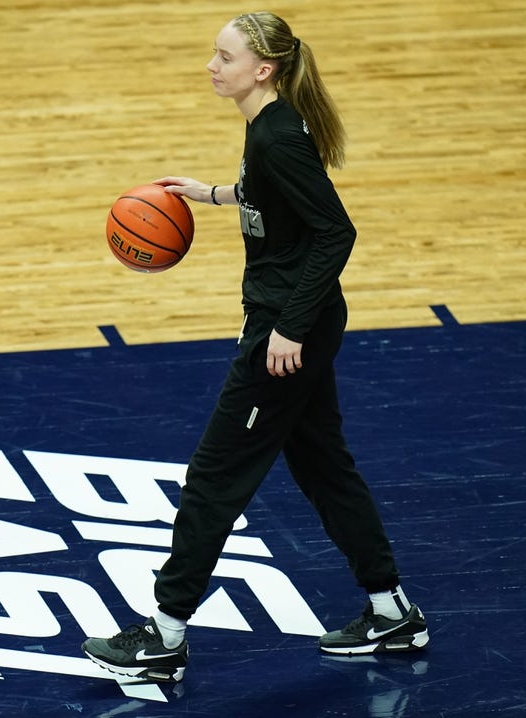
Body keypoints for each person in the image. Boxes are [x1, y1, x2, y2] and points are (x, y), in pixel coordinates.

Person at [82, 11, 428, 683]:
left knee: (213, 480)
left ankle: (163, 637)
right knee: (325, 469)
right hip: (300, 324)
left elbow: (335, 233)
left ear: (262, 69)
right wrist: (210, 194)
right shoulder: (268, 127)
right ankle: (392, 612)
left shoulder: (277, 137)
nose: (211, 65)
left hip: (284, 335)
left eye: (224, 56)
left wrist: (289, 328)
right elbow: (275, 200)